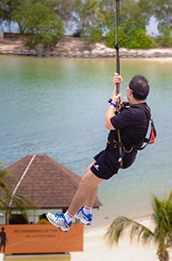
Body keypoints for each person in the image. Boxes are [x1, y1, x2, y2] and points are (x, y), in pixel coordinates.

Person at [47, 73, 152, 232]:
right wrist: (117, 86)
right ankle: (87, 213)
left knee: (85, 183)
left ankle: (66, 219)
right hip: (115, 152)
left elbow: (108, 123)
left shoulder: (134, 114)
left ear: (130, 93)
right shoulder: (140, 108)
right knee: (89, 173)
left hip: (116, 157)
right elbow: (117, 103)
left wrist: (111, 104)